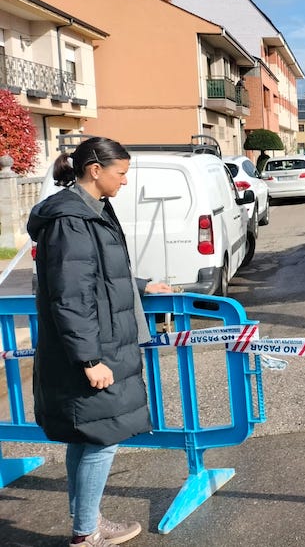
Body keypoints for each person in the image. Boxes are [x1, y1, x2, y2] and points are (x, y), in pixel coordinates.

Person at [26, 137, 172, 547]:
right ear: (95, 170)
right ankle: (86, 532)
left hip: (99, 343)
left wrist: (142, 286)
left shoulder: (91, 212)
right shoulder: (71, 220)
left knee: (87, 436)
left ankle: (86, 522)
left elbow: (97, 276)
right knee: (103, 438)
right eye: (120, 173)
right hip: (91, 351)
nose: (125, 181)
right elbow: (70, 295)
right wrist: (90, 359)